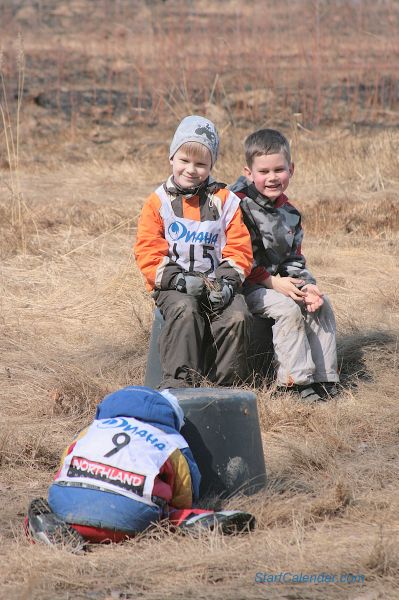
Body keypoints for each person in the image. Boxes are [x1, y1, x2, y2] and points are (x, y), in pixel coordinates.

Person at [25, 386, 255, 550]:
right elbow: (186, 491)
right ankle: (186, 520)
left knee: (44, 504)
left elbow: (62, 469)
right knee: (167, 509)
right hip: (130, 521)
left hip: (69, 511)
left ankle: (44, 525)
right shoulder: (170, 442)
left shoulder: (89, 431)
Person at [134, 116, 253, 389]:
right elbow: (147, 250)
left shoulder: (226, 201)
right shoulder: (158, 202)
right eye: (184, 161)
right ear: (171, 158)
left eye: (201, 164)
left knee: (238, 317)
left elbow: (239, 248)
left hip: (217, 283)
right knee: (186, 310)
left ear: (211, 165)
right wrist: (178, 280)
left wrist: (226, 284)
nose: (191, 170)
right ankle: (179, 386)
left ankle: (225, 388)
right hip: (174, 285)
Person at [230, 128, 340, 402]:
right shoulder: (236, 206)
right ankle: (294, 383)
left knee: (320, 304)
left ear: (291, 169)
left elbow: (293, 260)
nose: (272, 177)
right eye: (264, 171)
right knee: (287, 308)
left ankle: (325, 378)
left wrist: (309, 286)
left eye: (279, 170)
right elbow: (238, 259)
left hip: (274, 283)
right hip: (243, 287)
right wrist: (272, 282)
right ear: (248, 172)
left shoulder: (289, 213)